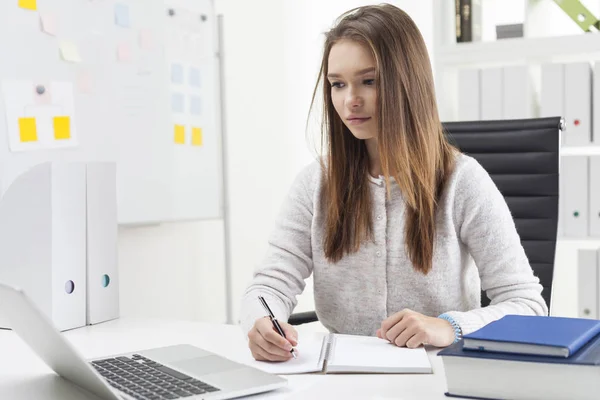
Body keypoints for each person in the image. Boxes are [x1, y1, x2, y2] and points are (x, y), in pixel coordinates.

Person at [240, 4, 548, 362]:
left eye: (368, 81)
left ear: (407, 82)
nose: (349, 100)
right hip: (338, 377)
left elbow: (528, 305)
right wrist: (261, 320)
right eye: (338, 84)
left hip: (437, 372)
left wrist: (450, 326)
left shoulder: (463, 181)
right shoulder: (316, 183)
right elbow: (268, 284)